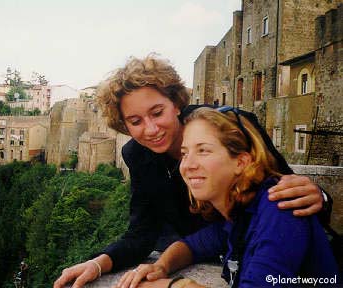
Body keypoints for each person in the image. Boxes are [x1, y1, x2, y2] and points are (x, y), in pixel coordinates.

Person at [53, 54, 327, 288]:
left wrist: (321, 197)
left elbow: (285, 194)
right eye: (135, 121)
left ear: (176, 103)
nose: (151, 129)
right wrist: (100, 263)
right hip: (221, 247)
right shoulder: (137, 154)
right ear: (125, 126)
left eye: (157, 112)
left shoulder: (227, 127)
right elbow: (144, 231)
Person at [117, 107, 339, 288]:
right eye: (185, 153)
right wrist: (160, 267)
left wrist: (174, 285)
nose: (188, 165)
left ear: (241, 162)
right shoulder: (239, 215)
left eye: (203, 150)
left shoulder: (278, 208)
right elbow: (192, 246)